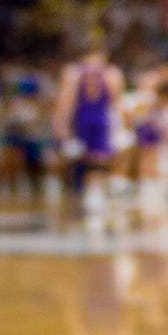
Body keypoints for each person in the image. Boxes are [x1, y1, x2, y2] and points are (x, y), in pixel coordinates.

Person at [57, 46, 122, 213]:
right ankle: (92, 192)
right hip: (91, 118)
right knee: (91, 157)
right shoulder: (108, 74)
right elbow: (66, 102)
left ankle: (94, 192)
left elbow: (65, 103)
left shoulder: (76, 73)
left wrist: (62, 126)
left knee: (96, 157)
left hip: (93, 118)